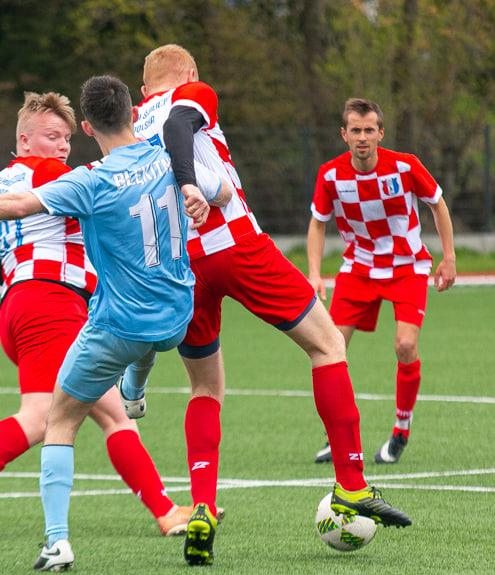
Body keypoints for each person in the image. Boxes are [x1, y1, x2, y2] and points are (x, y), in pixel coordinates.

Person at [0, 75, 223, 571]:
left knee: (104, 410)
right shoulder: (54, 174)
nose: (64, 146)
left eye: (68, 137)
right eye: (53, 136)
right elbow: (68, 207)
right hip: (52, 306)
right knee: (48, 418)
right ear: (24, 139)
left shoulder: (2, 177)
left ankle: (164, 510)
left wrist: (18, 277)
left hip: (26, 305)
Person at [131, 44, 412, 567]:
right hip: (233, 245)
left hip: (177, 266)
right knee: (328, 345)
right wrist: (193, 182)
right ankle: (352, 483)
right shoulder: (192, 94)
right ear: (189, 74)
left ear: (143, 89)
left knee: (204, 387)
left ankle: (203, 506)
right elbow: (178, 128)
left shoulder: (130, 125)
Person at [307, 98, 456, 465]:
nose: (362, 137)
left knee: (405, 346)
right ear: (344, 134)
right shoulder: (330, 175)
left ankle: (401, 430)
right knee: (330, 347)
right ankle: (337, 434)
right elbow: (317, 222)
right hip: (358, 269)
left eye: (369, 130)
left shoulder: (405, 166)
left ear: (380, 133)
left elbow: (437, 204)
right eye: (355, 130)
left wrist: (449, 257)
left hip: (407, 267)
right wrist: (314, 273)